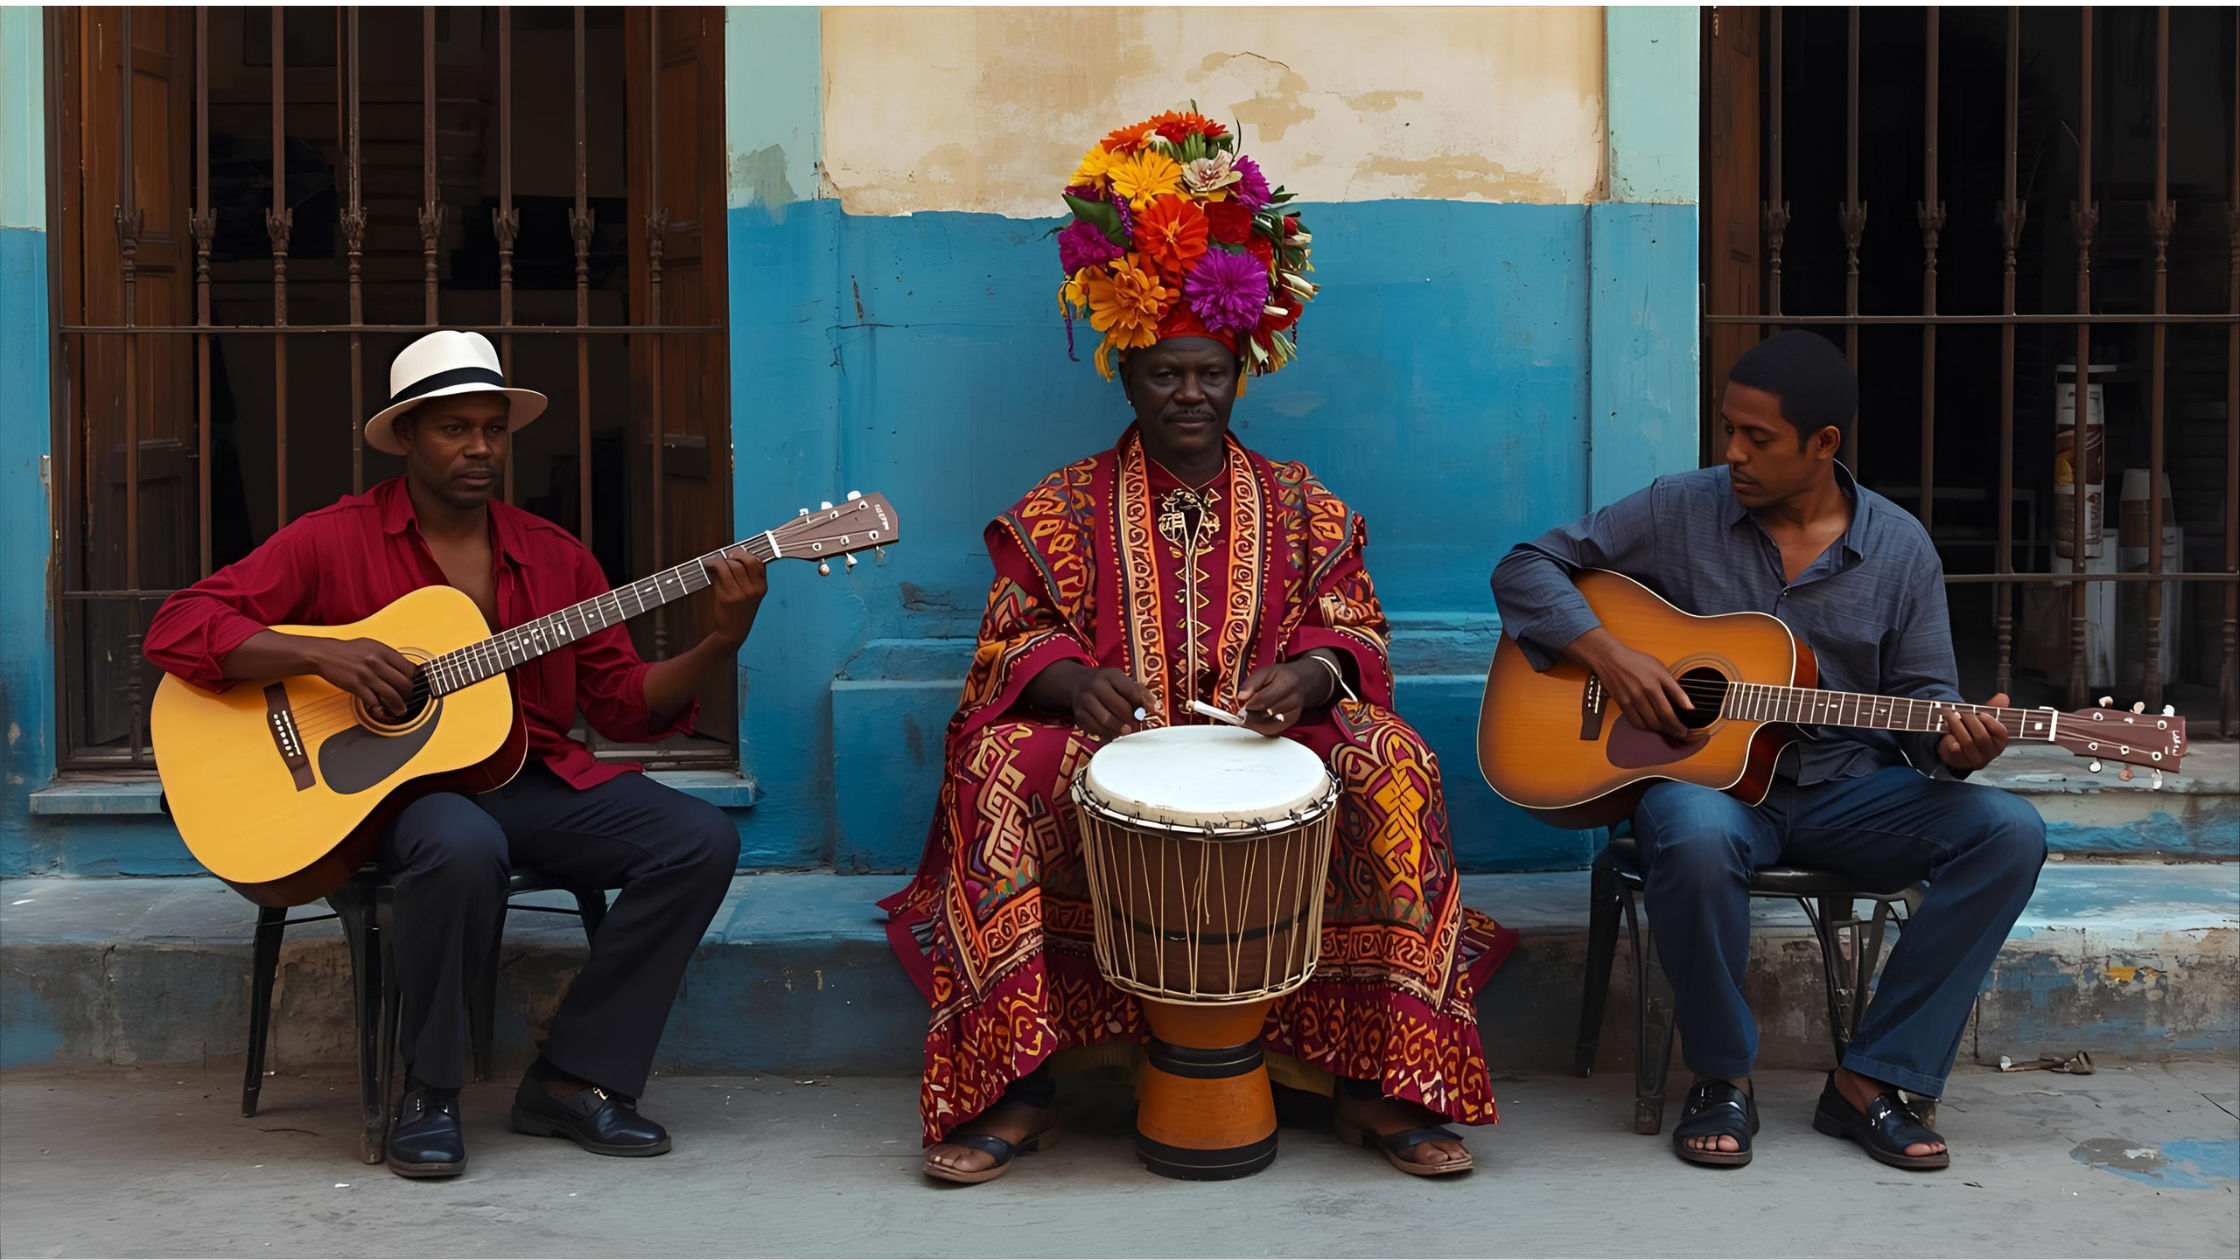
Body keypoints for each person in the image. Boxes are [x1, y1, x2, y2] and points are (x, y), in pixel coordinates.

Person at [882, 109, 1516, 1185]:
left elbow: (1356, 624)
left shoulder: (1302, 504)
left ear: (1238, 376)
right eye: (1166, 375)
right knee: (993, 766)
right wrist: (1069, 678)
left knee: (1394, 764)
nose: (1189, 395)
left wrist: (1312, 674)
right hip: (1107, 752)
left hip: (1269, 747)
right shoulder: (1063, 504)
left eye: (1209, 375)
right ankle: (1016, 1088)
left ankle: (1378, 1083)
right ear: (1127, 377)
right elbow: (1004, 642)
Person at [145, 330, 762, 1179]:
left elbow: (623, 703)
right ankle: (429, 1092)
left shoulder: (555, 555)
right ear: (406, 436)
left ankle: (574, 1078)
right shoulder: (331, 539)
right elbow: (177, 627)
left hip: (528, 773)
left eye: (494, 429)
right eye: (453, 428)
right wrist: (321, 656)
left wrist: (719, 641)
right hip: (400, 800)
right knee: (463, 846)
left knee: (701, 840)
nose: (479, 448)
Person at [1490, 330, 2046, 1171]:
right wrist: (1613, 656)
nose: (1733, 454)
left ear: (1823, 445)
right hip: (1709, 793)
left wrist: (1961, 749)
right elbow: (1527, 566)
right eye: (1727, 430)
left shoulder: (1899, 551)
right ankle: (1721, 1076)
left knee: (2010, 832)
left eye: (1758, 439)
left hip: (1846, 796)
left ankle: (1873, 1081)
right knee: (1695, 830)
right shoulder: (1681, 507)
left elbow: (1926, 703)